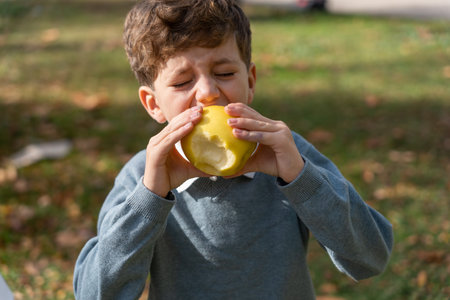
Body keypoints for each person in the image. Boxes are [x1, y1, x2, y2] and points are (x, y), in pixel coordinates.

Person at [73, 0, 393, 299]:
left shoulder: (287, 154)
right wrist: (150, 197)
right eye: (182, 82)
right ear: (153, 103)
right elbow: (94, 293)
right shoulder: (143, 177)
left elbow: (371, 258)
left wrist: (301, 178)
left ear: (250, 82)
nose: (208, 93)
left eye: (224, 74)